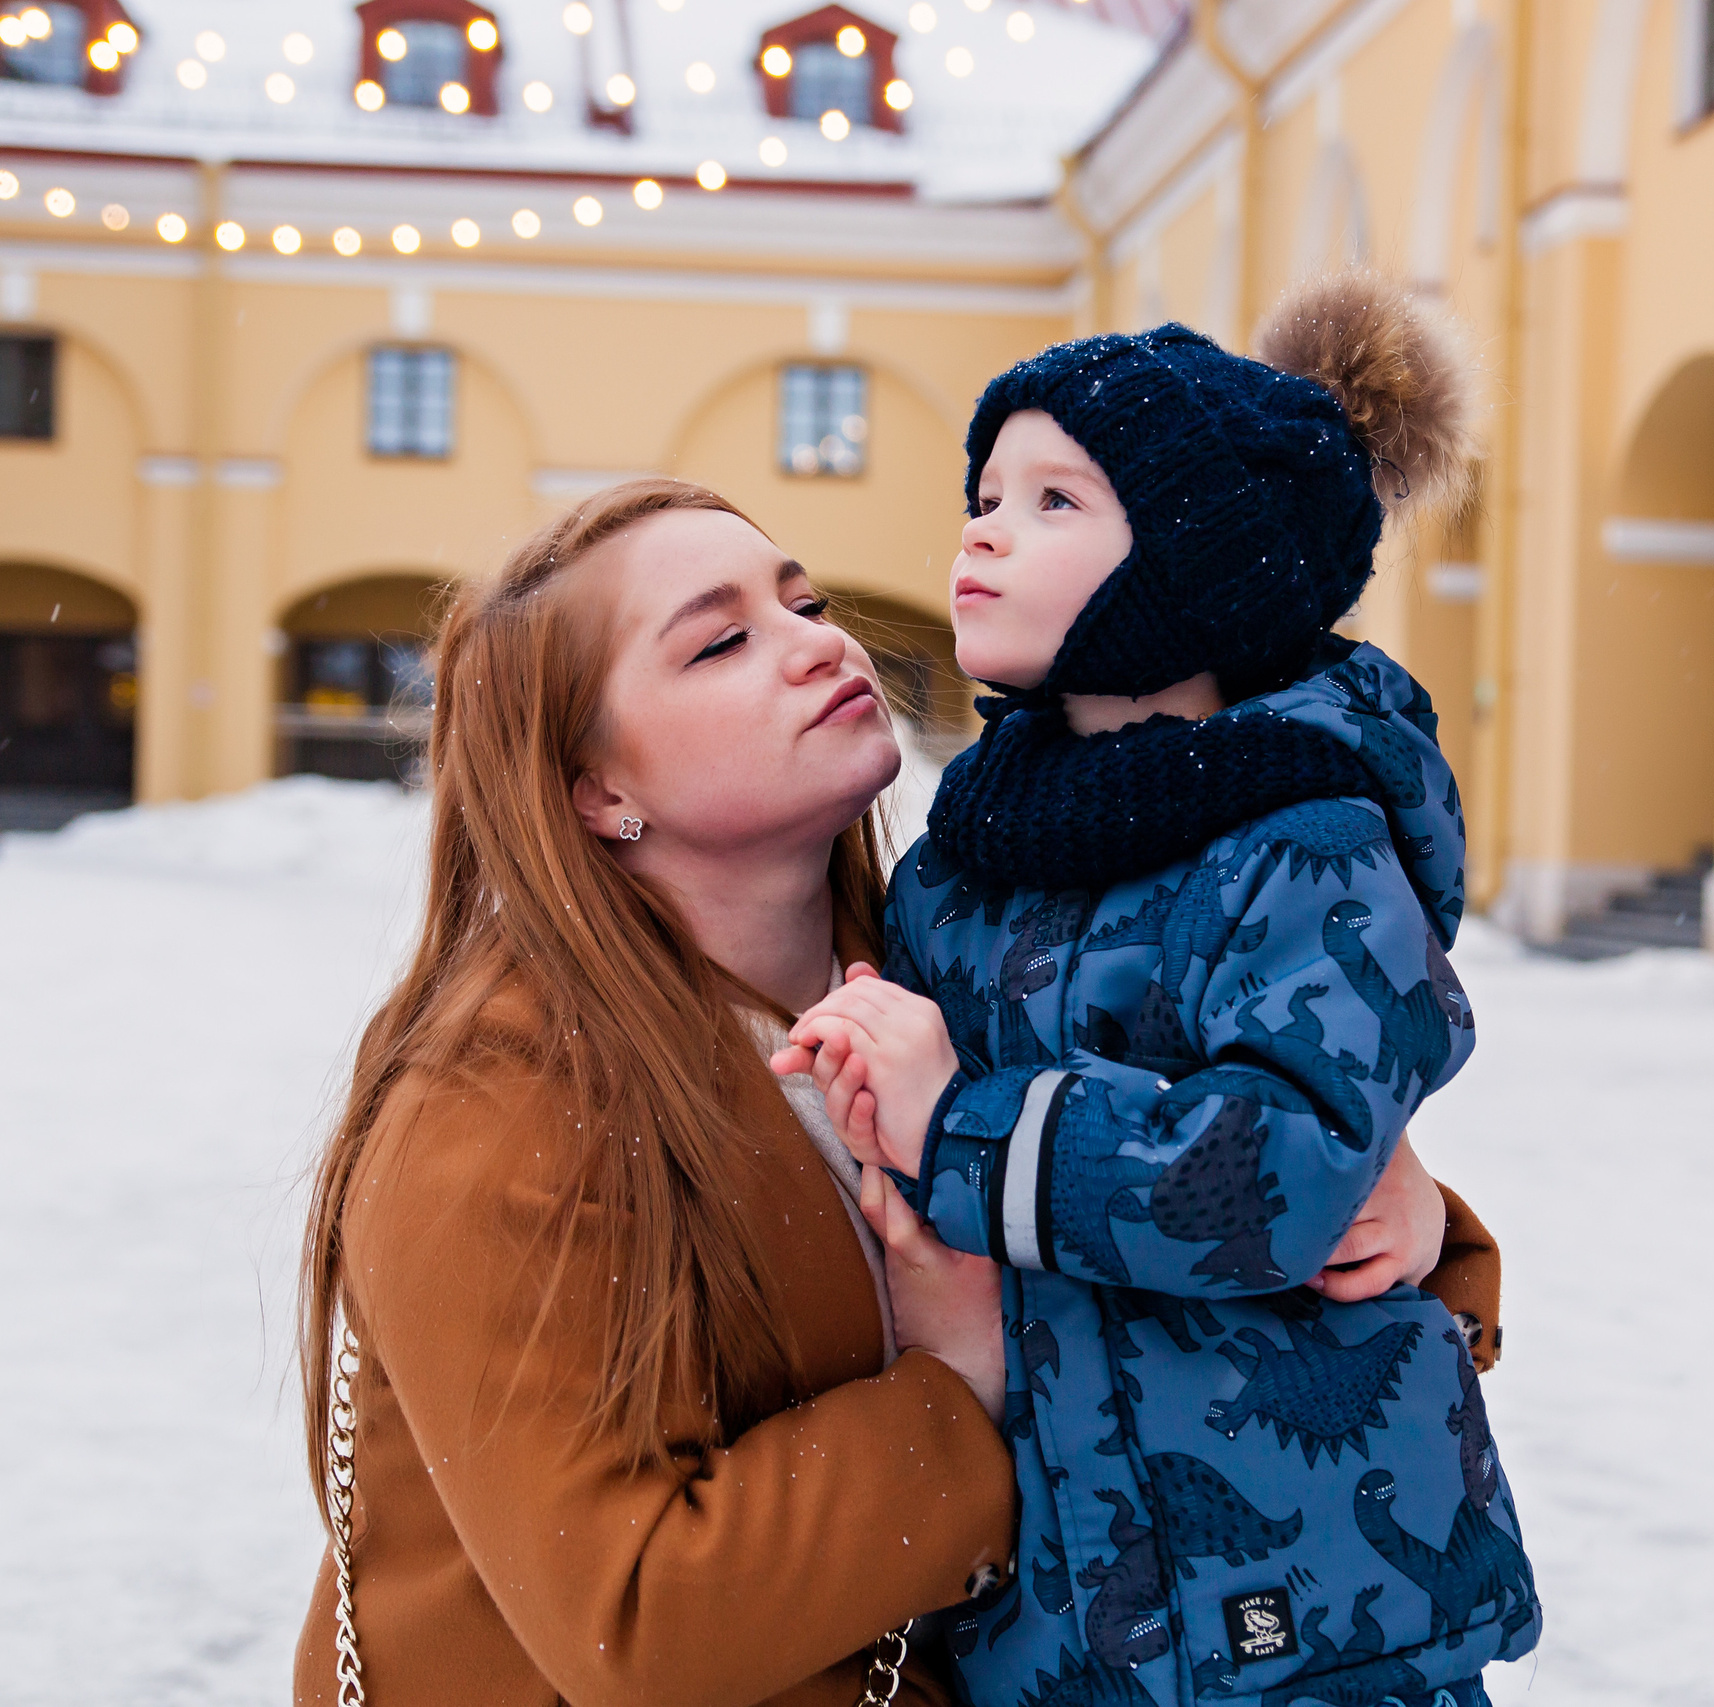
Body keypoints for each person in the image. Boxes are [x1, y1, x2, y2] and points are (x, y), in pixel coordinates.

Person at [291, 475, 1493, 1707]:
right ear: (599, 791)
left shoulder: (945, 978)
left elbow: (1135, 1170)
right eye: (721, 641)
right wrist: (955, 1384)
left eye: (803, 600)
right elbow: (634, 1622)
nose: (817, 642)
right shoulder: (500, 1106)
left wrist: (1387, 1203)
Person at [775, 277, 1539, 1707]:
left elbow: (1275, 1174)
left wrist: (962, 1126)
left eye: (1057, 500)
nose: (984, 527)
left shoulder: (1303, 840)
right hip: (1059, 1605)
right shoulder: (966, 860)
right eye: (986, 491)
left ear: (1200, 567)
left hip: (1311, 1610)